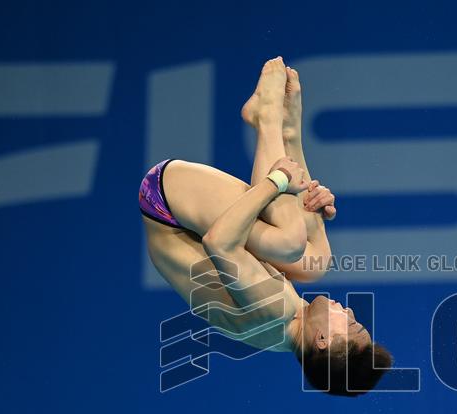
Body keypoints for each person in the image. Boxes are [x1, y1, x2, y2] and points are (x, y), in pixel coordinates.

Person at [141, 57, 392, 396]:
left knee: (289, 242)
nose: (348, 310)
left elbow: (219, 243)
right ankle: (289, 131)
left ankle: (269, 117)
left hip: (165, 202)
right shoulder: (285, 328)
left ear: (322, 339)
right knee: (315, 260)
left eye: (350, 323)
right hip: (179, 216)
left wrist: (277, 182)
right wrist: (315, 207)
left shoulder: (275, 311)